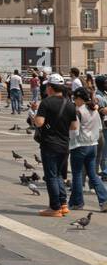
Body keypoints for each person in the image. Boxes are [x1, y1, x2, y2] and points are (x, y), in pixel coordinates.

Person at [33, 73, 77, 218]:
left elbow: (39, 123)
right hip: (64, 144)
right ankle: (63, 204)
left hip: (50, 144)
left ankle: (55, 208)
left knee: (51, 176)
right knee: (58, 174)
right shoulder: (69, 104)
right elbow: (74, 127)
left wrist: (35, 114)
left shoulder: (46, 102)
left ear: (50, 87)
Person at [68, 86, 107, 212]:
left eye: (75, 98)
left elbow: (74, 130)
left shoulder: (78, 111)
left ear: (79, 98)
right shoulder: (94, 110)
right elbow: (99, 127)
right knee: (93, 174)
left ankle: (78, 202)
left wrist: (70, 139)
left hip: (79, 145)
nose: (74, 101)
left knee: (78, 174)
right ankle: (104, 199)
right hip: (93, 145)